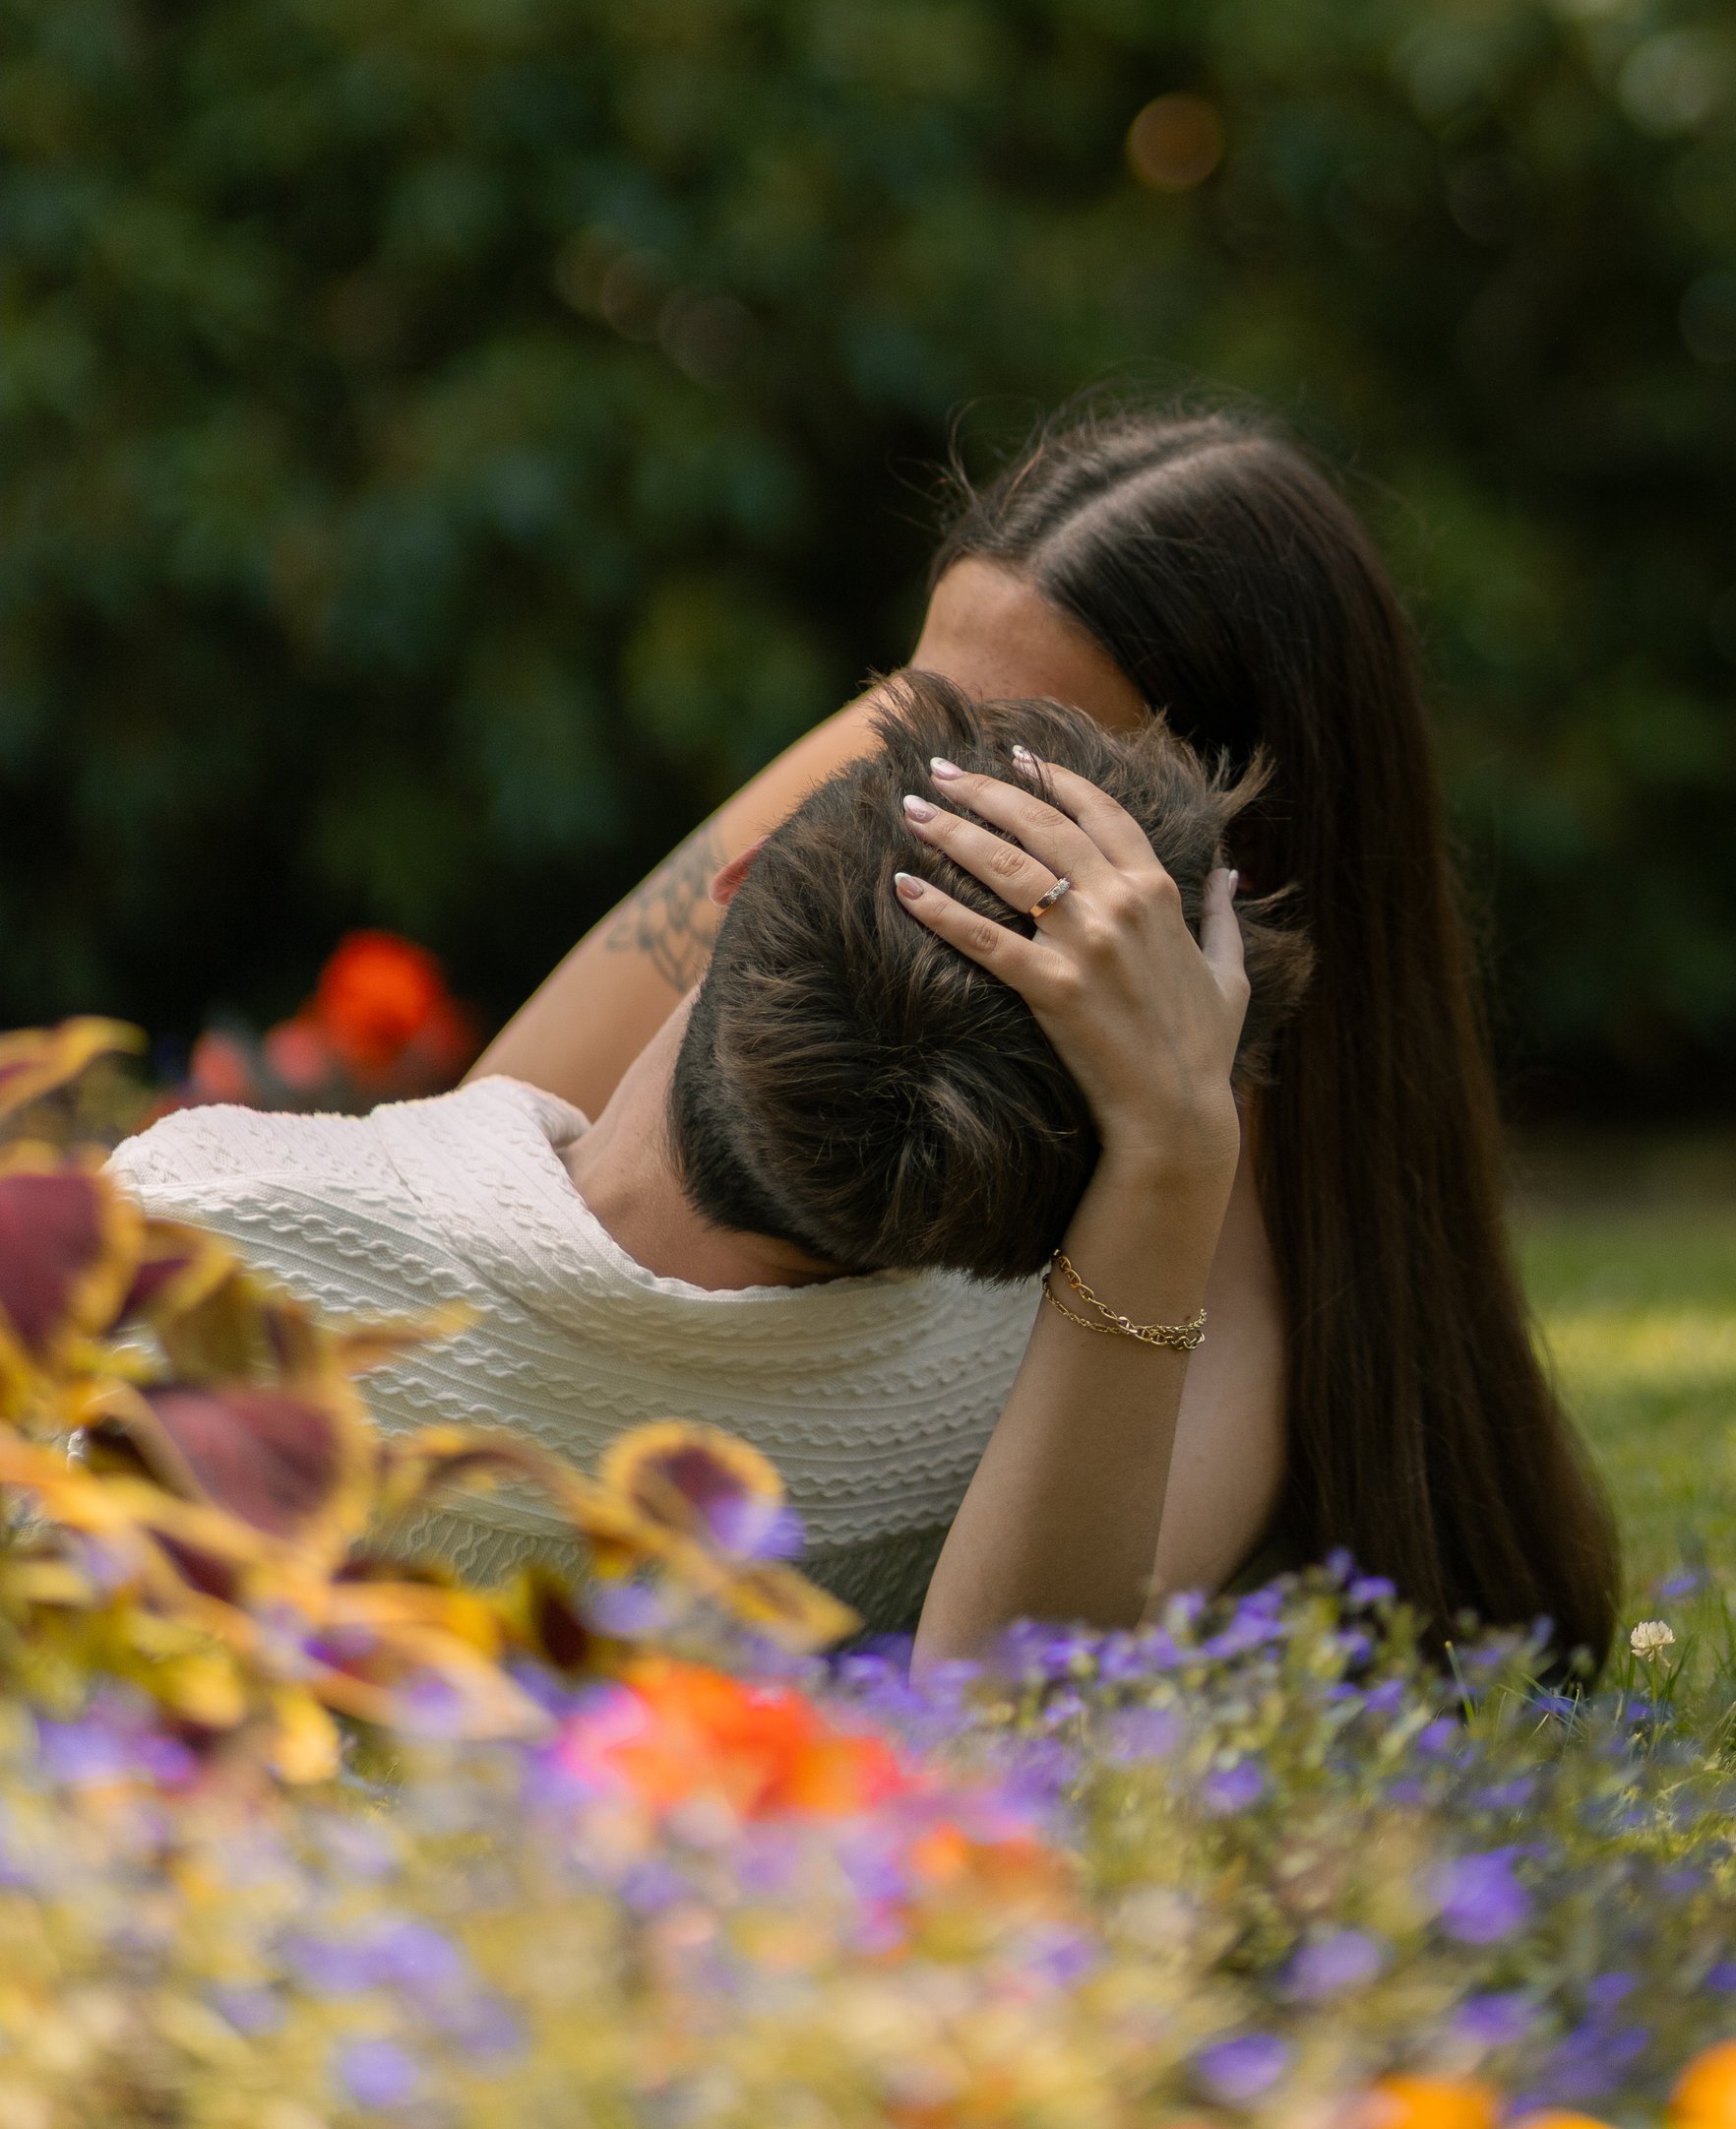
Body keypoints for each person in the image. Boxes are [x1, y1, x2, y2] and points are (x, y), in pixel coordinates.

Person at [481, 400, 1621, 1662]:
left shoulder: (1271, 1224)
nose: (914, 792)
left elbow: (995, 1697)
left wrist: (1172, 1154)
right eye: (909, 722)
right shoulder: (906, 804)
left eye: (1008, 757)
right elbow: (478, 1141)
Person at [114, 685, 1300, 1650]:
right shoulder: (1025, 1444)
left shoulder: (208, 1228)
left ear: (732, 882)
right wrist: (1174, 1149)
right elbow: (1013, 1738)